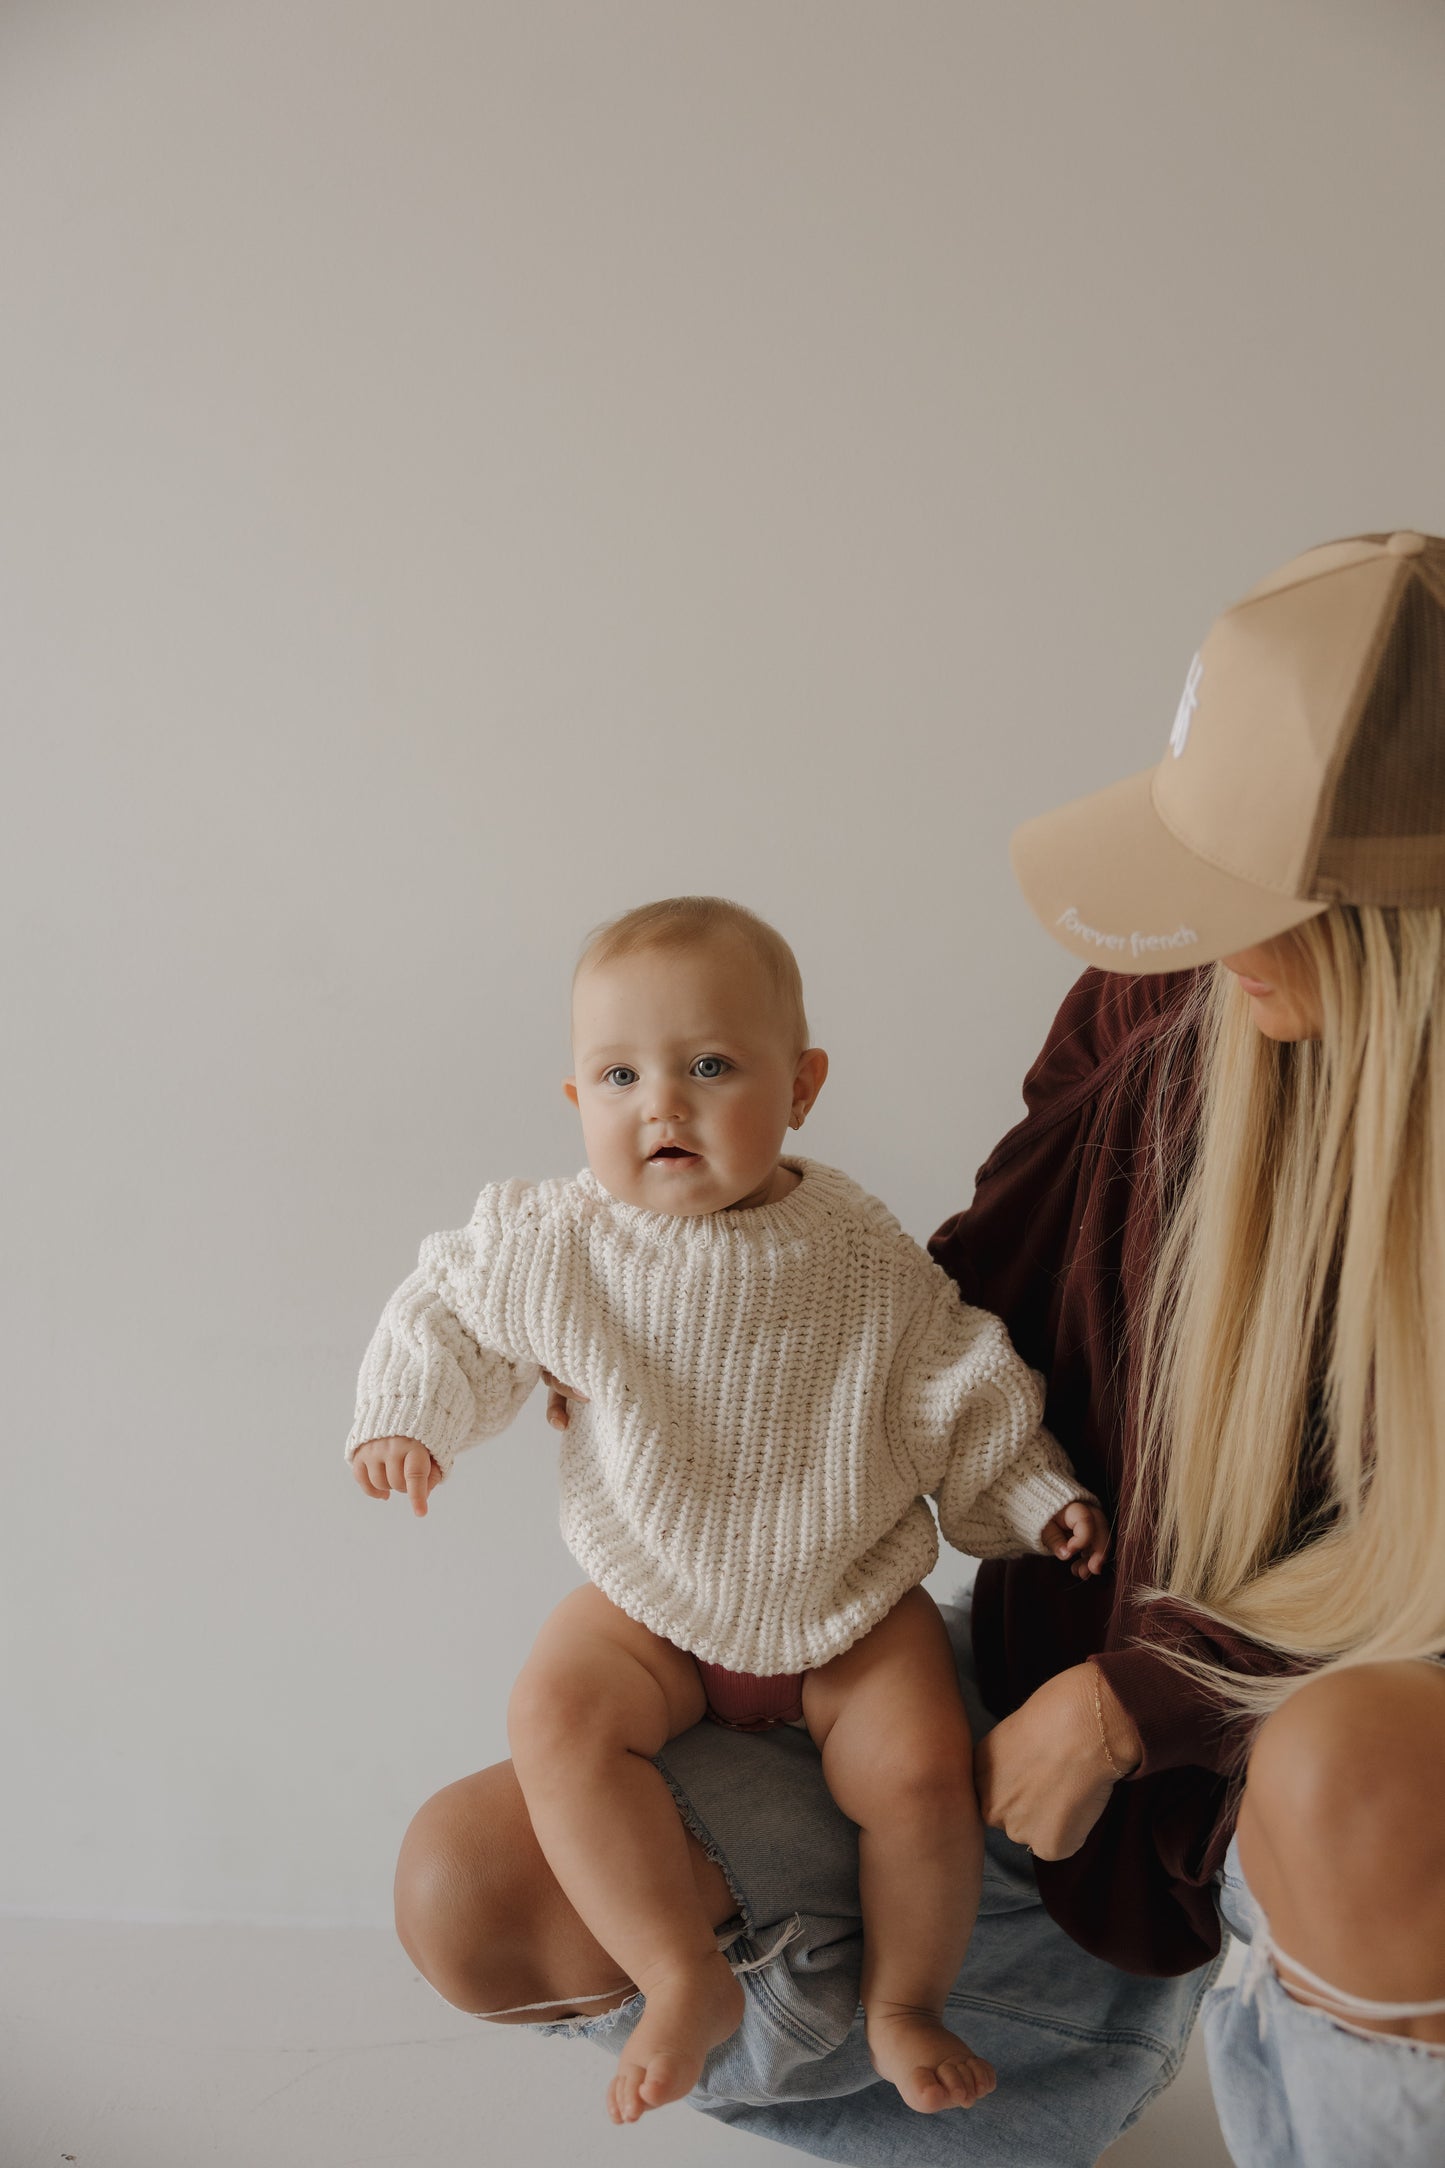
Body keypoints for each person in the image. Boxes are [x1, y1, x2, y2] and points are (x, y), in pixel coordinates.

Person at [388, 531, 1445, 2167]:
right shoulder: (1164, 1005)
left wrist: (1135, 1707)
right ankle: (1023, 2059)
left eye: (1269, 892)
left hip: (1296, 1781)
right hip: (1021, 1769)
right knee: (474, 1876)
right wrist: (701, 1341)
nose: (1202, 925)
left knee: (1354, 1774)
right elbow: (952, 1318)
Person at [345, 896, 1109, 2126]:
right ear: (575, 1101)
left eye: (709, 1065)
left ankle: (906, 1998)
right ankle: (677, 1972)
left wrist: (1033, 1494)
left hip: (847, 1604)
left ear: (800, 1084)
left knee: (917, 1775)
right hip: (651, 1600)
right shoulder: (561, 1241)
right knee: (554, 1709)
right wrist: (408, 1413)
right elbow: (450, 1302)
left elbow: (953, 1380)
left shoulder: (859, 1253)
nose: (662, 1103)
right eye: (618, 1074)